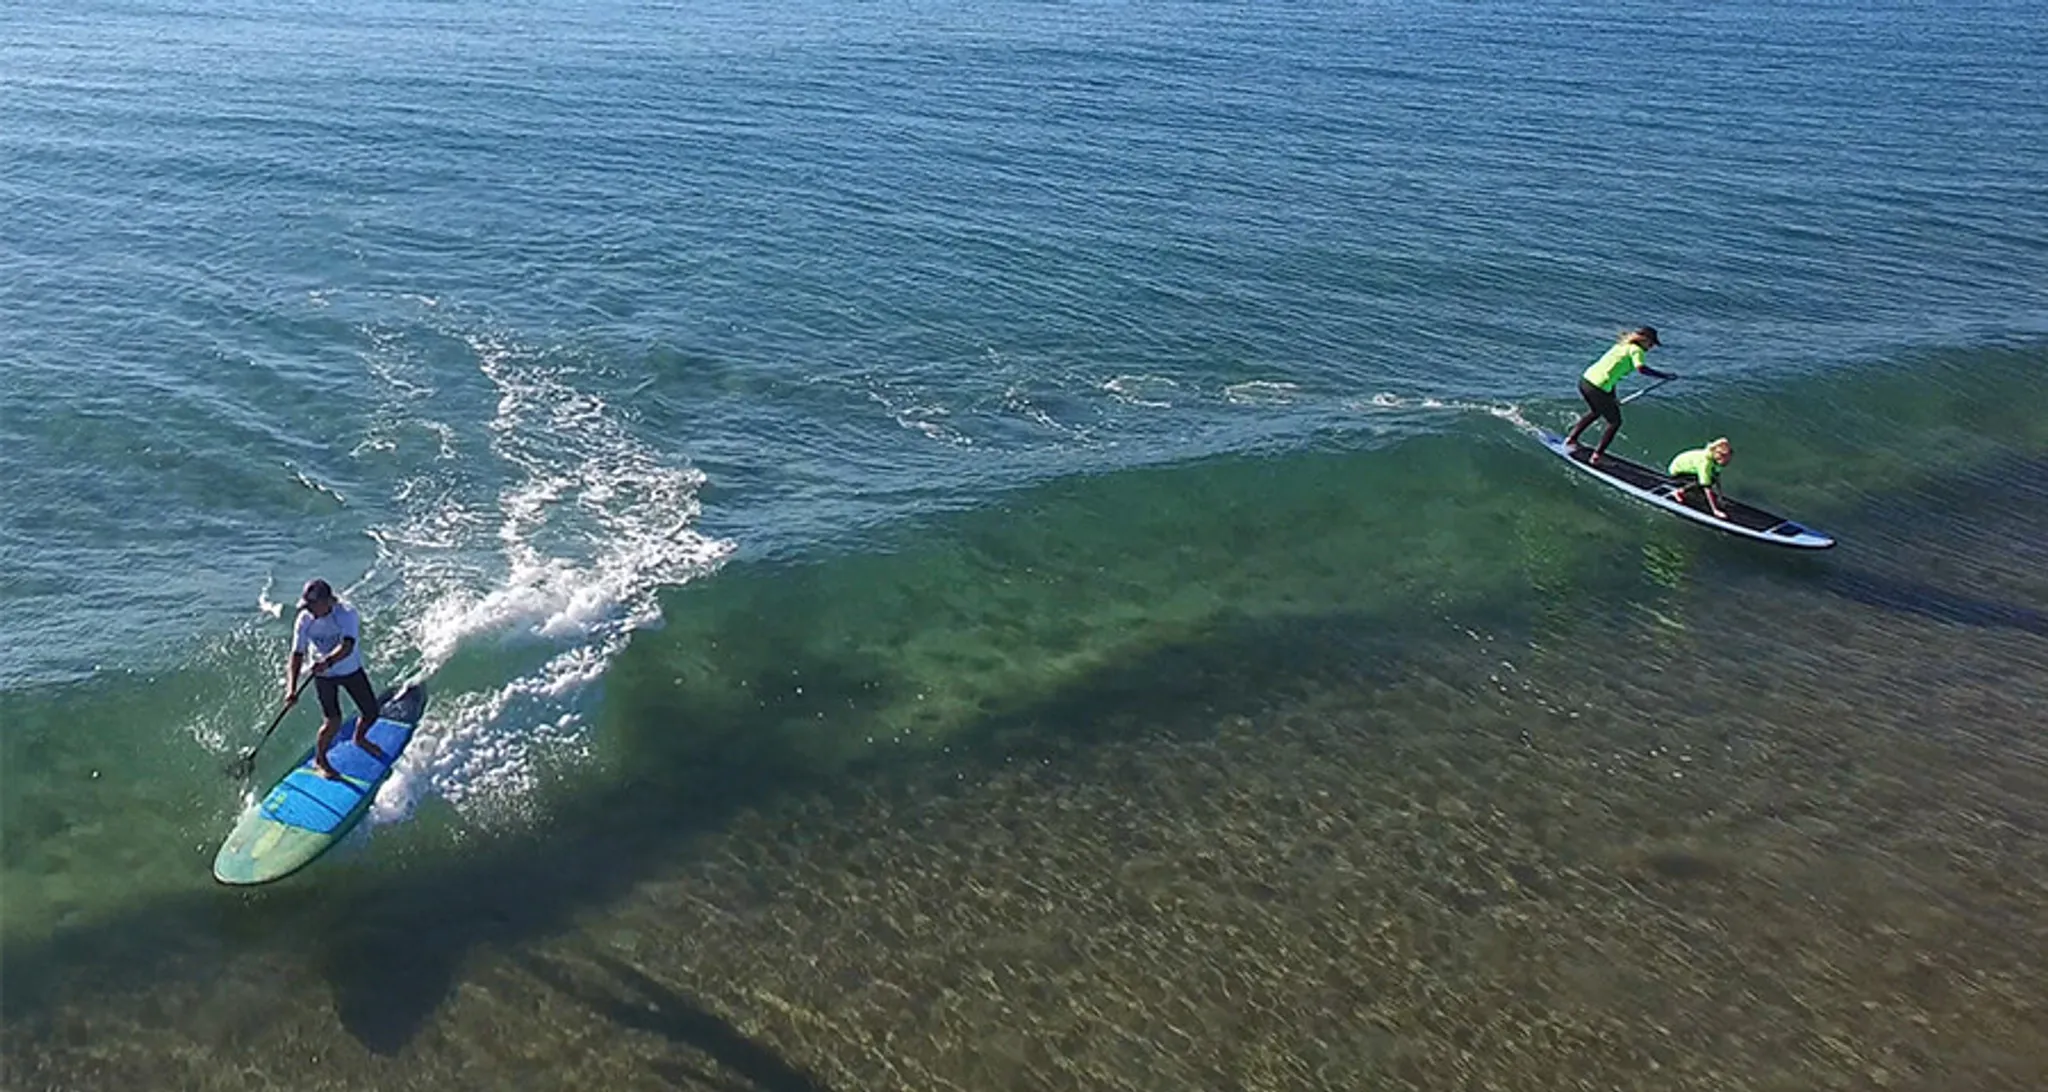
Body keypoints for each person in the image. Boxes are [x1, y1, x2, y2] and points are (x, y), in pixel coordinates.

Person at [282, 578, 383, 780]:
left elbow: (347, 646)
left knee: (371, 713)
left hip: (350, 670)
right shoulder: (304, 619)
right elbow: (297, 654)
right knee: (332, 721)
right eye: (306, 605)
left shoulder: (346, 614)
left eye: (313, 604)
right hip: (323, 676)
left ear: (328, 601)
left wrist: (327, 662)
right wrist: (291, 689)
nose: (309, 609)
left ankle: (360, 738)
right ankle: (320, 759)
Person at [1563, 326, 1677, 463]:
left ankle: (1571, 439)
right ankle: (1597, 456)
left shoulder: (1622, 345)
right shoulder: (1637, 350)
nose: (1651, 347)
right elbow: (1641, 369)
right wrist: (1664, 375)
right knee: (1615, 422)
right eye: (1651, 343)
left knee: (1596, 412)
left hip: (1586, 381)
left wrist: (1612, 398)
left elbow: (1611, 372)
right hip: (1598, 387)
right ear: (1644, 340)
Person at [1668, 437, 1734, 520]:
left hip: (1692, 472)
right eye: (1726, 460)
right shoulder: (1705, 463)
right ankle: (1678, 492)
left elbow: (1717, 478)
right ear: (1719, 455)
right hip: (1677, 473)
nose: (1727, 462)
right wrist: (1715, 510)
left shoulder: (1716, 461)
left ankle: (1689, 489)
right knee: (1704, 483)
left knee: (1711, 478)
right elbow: (1706, 486)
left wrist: (1720, 498)